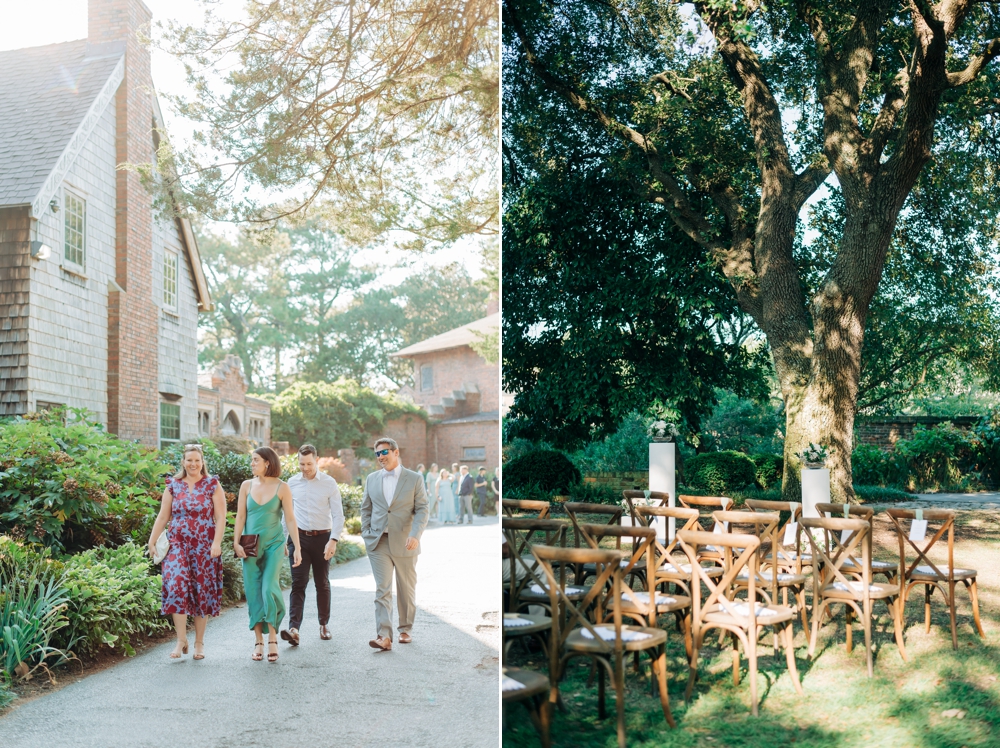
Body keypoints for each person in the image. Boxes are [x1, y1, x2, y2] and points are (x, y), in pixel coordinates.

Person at [148, 444, 226, 660]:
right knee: (175, 586)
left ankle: (199, 643)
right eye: (189, 460)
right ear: (183, 462)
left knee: (202, 590)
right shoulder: (173, 485)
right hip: (177, 543)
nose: (193, 464)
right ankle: (181, 640)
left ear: (202, 463)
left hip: (205, 545)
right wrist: (152, 540)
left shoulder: (212, 484)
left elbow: (220, 517)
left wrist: (217, 543)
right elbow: (163, 516)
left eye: (197, 460)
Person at [360, 437, 429, 651]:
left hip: (406, 541)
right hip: (378, 542)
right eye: (377, 454)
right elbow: (366, 509)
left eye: (384, 452)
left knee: (406, 588)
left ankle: (405, 628)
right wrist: (366, 533)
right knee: (382, 589)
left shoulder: (414, 478)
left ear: (396, 452)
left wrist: (415, 534)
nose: (380, 457)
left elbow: (422, 509)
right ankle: (384, 636)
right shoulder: (371, 479)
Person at [234, 447, 302, 663]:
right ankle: (258, 641)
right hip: (250, 546)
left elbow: (290, 519)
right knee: (253, 591)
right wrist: (236, 543)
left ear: (267, 463)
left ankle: (272, 637)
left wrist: (296, 548)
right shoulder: (246, 486)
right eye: (251, 460)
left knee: (268, 587)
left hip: (274, 544)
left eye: (255, 460)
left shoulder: (283, 487)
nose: (252, 464)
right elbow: (240, 516)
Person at [280, 444, 344, 646]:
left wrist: (333, 540)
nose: (305, 468)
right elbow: (287, 515)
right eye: (301, 463)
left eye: (308, 463)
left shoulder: (329, 483)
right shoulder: (292, 483)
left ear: (316, 460)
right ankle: (294, 629)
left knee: (321, 582)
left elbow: (338, 515)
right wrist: (284, 539)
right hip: (298, 539)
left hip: (323, 538)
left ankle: (323, 624)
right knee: (298, 583)